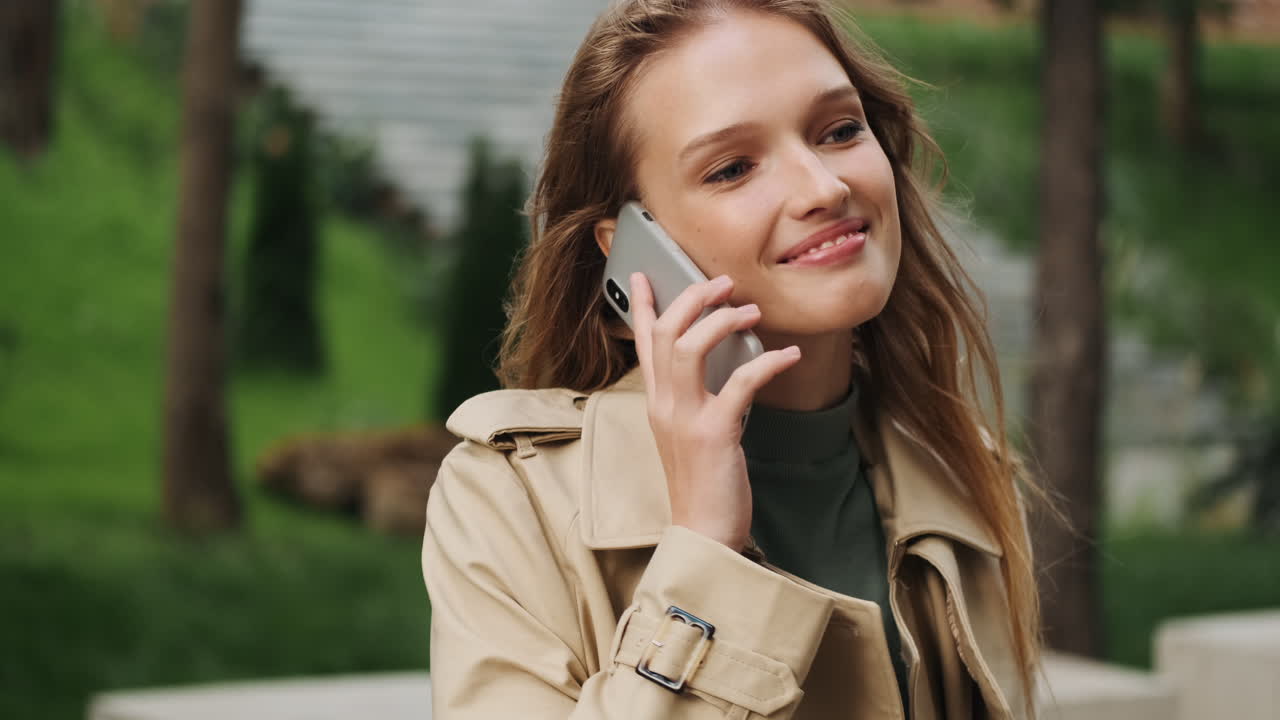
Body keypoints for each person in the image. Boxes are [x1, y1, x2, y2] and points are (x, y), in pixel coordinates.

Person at [421, 1, 1042, 718]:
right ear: (630, 251)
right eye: (732, 168)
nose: (824, 187)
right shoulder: (508, 499)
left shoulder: (966, 474)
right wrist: (704, 554)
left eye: (840, 130)